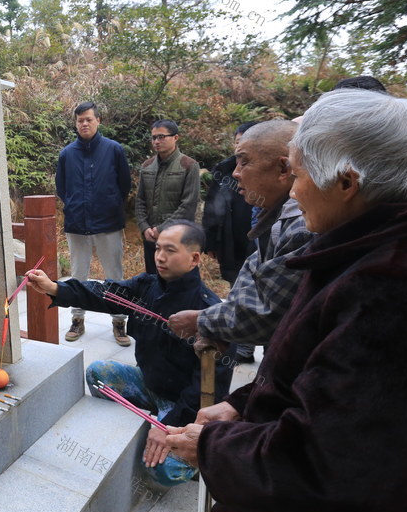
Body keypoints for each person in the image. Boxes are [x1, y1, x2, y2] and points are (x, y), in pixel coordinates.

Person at [165, 90, 407, 512]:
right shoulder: (361, 249)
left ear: (346, 182)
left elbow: (332, 467)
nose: (293, 192)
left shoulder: (395, 288)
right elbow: (322, 378)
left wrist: (214, 448)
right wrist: (242, 404)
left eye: (298, 176)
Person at [26, 220, 232, 487]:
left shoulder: (209, 314)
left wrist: (168, 424)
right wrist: (55, 288)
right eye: (158, 248)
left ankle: (190, 454)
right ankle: (150, 421)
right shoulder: (147, 286)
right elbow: (105, 293)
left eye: (170, 250)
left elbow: (209, 390)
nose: (160, 257)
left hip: (184, 404)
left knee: (165, 469)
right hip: (150, 383)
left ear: (194, 259)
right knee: (98, 374)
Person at [168, 120, 316, 358]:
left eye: (244, 162)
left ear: (283, 169)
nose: (235, 173)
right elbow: (253, 271)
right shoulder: (276, 215)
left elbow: (270, 313)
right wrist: (221, 326)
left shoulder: (304, 226)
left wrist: (202, 321)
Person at [55, 101, 132, 344]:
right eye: (80, 120)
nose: (84, 124)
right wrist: (75, 205)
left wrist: (109, 204)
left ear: (98, 120)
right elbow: (62, 188)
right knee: (78, 275)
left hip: (108, 223)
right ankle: (77, 320)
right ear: (75, 124)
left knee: (114, 275)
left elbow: (124, 185)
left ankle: (119, 321)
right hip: (77, 224)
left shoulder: (113, 149)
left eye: (89, 119)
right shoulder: (67, 154)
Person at [135, 120, 199, 275]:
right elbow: (140, 200)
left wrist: (161, 229)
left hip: (177, 238)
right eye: (154, 137)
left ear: (175, 137)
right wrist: (144, 227)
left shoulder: (188, 165)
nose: (156, 141)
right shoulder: (147, 166)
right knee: (153, 279)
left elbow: (188, 206)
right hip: (151, 238)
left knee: (177, 279)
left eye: (161, 137)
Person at [202, 121, 260, 283]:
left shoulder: (265, 172)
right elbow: (211, 207)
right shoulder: (224, 171)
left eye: (245, 141)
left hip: (256, 242)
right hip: (230, 240)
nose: (239, 147)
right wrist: (210, 242)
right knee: (234, 283)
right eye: (237, 142)